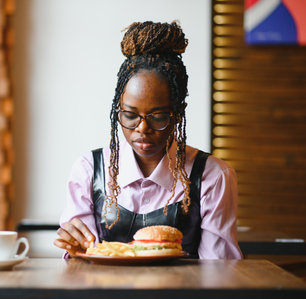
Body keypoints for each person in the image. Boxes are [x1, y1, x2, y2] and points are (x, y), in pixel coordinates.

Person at [54, 21, 242, 259]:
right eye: (130, 116)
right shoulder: (89, 170)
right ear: (117, 110)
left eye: (159, 116)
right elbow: (83, 261)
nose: (142, 128)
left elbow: (219, 271)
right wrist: (73, 246)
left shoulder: (212, 176)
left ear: (178, 113)